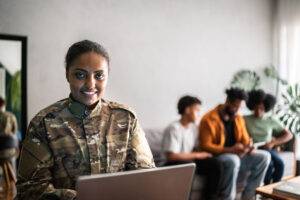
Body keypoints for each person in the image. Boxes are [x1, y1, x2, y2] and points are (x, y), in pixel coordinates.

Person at [16, 40, 155, 200]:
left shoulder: (126, 118)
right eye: (80, 75)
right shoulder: (44, 123)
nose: (90, 84)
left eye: (99, 75)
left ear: (107, 76)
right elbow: (29, 189)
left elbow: (146, 175)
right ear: (67, 74)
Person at [199, 88, 271, 200]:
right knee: (233, 159)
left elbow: (245, 139)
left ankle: (248, 197)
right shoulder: (209, 119)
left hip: (237, 154)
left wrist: (248, 147)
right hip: (217, 157)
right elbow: (206, 145)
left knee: (264, 156)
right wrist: (231, 150)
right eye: (235, 107)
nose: (237, 110)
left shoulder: (238, 118)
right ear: (227, 101)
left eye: (240, 108)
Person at [162, 95, 223, 200]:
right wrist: (198, 155)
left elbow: (195, 148)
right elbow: (171, 156)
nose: (199, 114)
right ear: (187, 110)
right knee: (188, 166)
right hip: (172, 164)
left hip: (189, 161)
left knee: (215, 164)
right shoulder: (173, 129)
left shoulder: (194, 128)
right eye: (197, 110)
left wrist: (203, 153)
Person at [244, 89, 293, 184]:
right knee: (269, 165)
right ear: (252, 106)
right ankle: (264, 190)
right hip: (254, 149)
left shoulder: (270, 120)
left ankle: (274, 188)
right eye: (256, 108)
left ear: (266, 107)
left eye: (261, 108)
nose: (258, 111)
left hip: (268, 148)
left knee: (280, 164)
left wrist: (273, 142)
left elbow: (289, 135)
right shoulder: (245, 119)